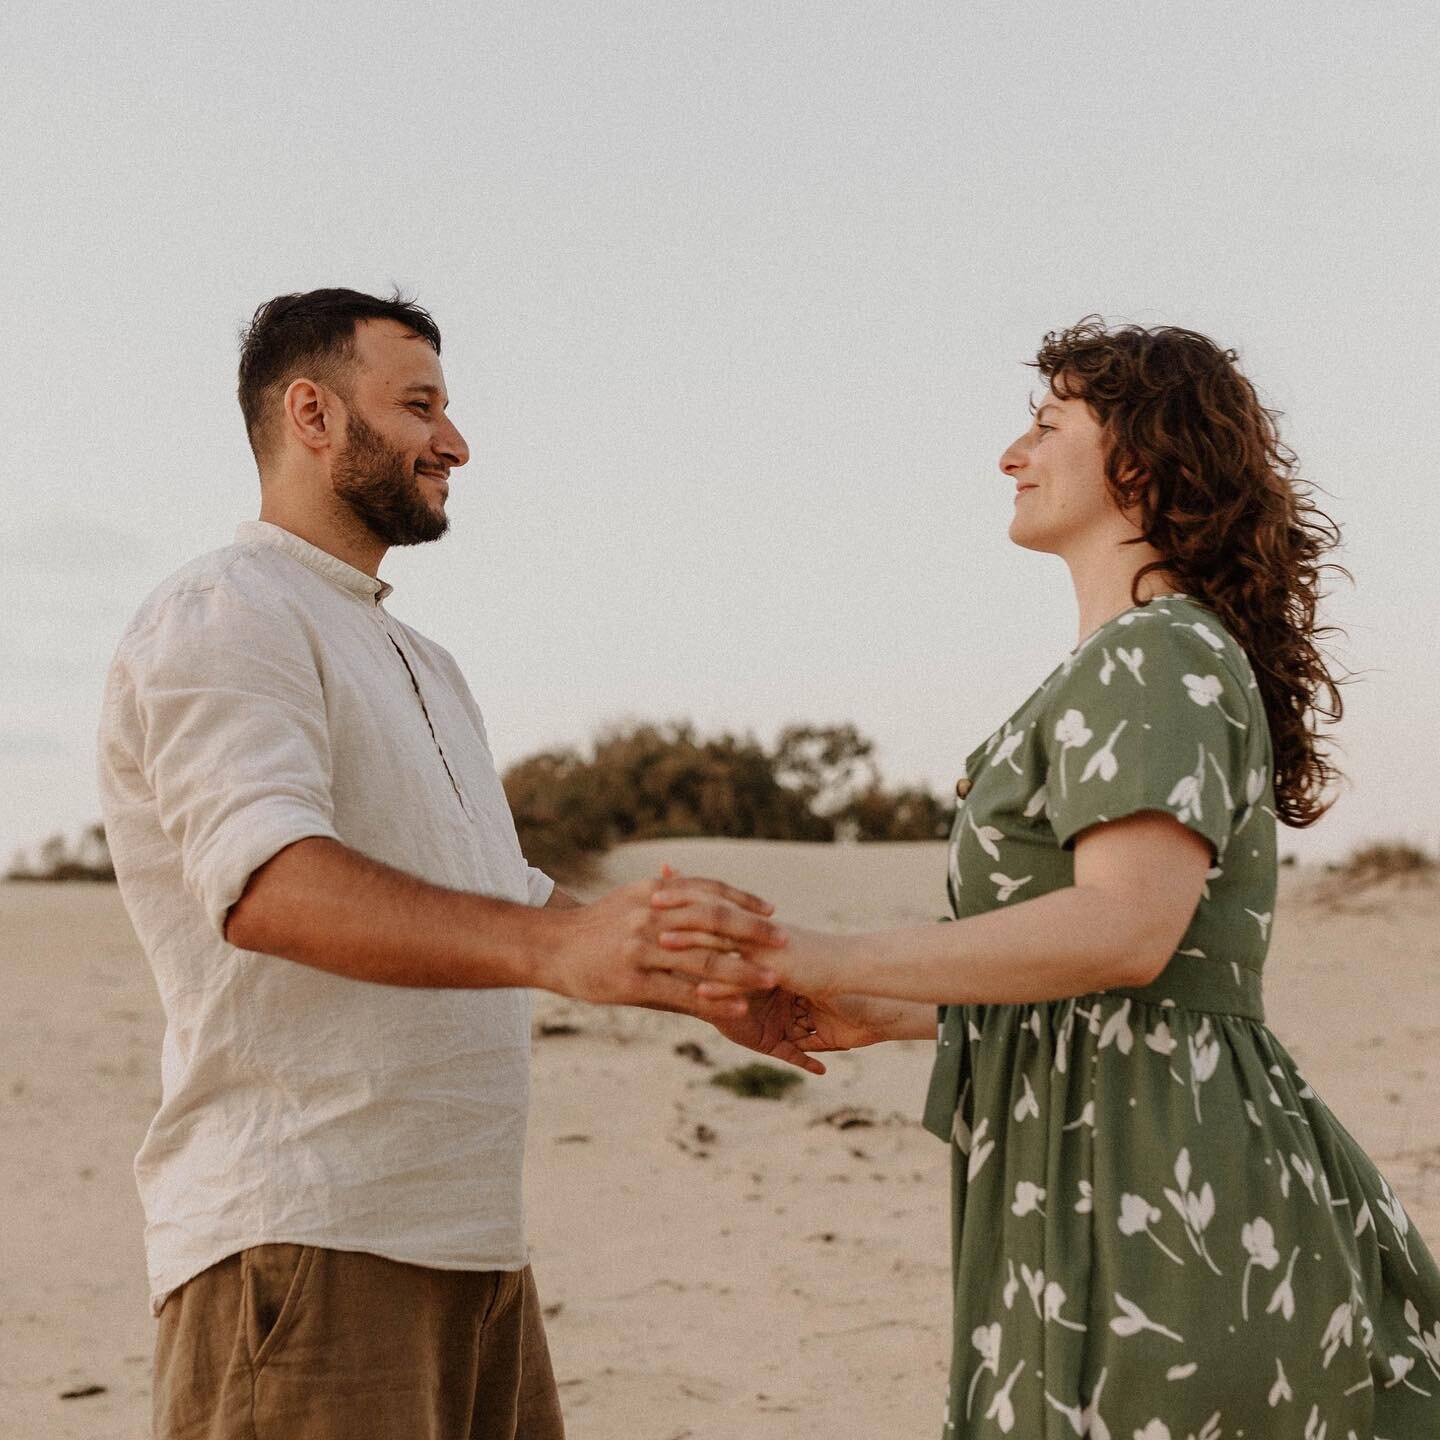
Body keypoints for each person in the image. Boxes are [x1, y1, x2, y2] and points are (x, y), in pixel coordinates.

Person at [662, 319, 1440, 1434]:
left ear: (1137, 457)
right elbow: (1095, 976)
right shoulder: (1128, 661)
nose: (1010, 454)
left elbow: (1127, 933)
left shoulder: (1157, 652)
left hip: (1155, 1181)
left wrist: (828, 950)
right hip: (1097, 1158)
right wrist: (869, 1011)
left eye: (1045, 425)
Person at [96, 288, 803, 1440]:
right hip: (308, 1240)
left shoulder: (420, 656)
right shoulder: (225, 610)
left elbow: (503, 897)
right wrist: (561, 948)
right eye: (419, 406)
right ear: (313, 414)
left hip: (474, 1251)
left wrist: (705, 982)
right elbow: (268, 884)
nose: (455, 443)